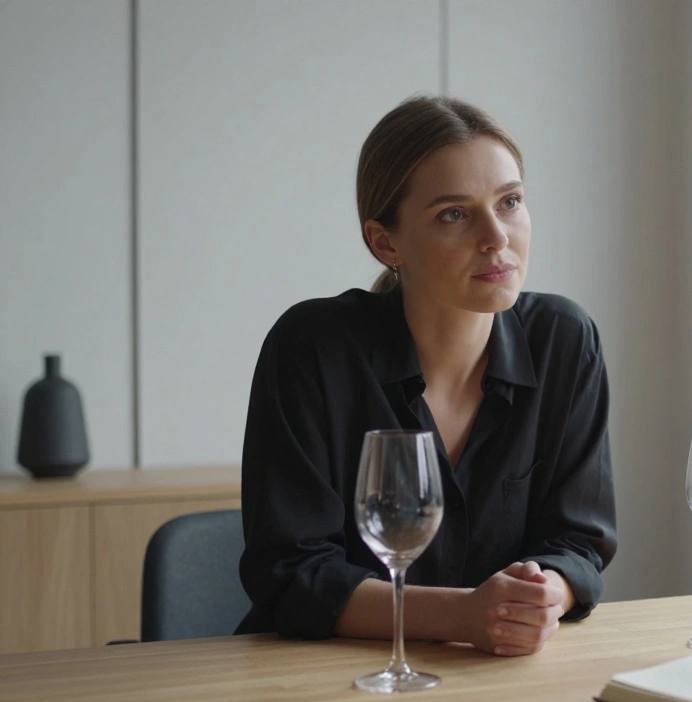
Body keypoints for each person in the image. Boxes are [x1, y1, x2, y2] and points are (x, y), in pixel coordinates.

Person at [236, 96, 617, 658]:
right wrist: (464, 615)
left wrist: (537, 600)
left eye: (510, 202)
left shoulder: (564, 340)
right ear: (385, 242)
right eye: (454, 214)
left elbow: (578, 543)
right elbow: (292, 574)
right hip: (319, 678)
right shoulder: (311, 348)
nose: (497, 237)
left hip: (494, 673)